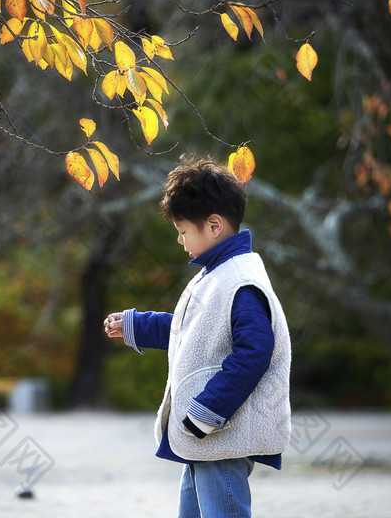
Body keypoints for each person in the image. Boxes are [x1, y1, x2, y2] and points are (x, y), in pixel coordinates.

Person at [104, 155, 291, 518]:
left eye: (183, 230)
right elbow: (193, 331)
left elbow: (255, 351)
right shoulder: (217, 274)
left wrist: (208, 412)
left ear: (214, 225)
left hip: (219, 434)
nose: (179, 239)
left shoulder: (241, 280)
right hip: (204, 437)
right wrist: (136, 326)